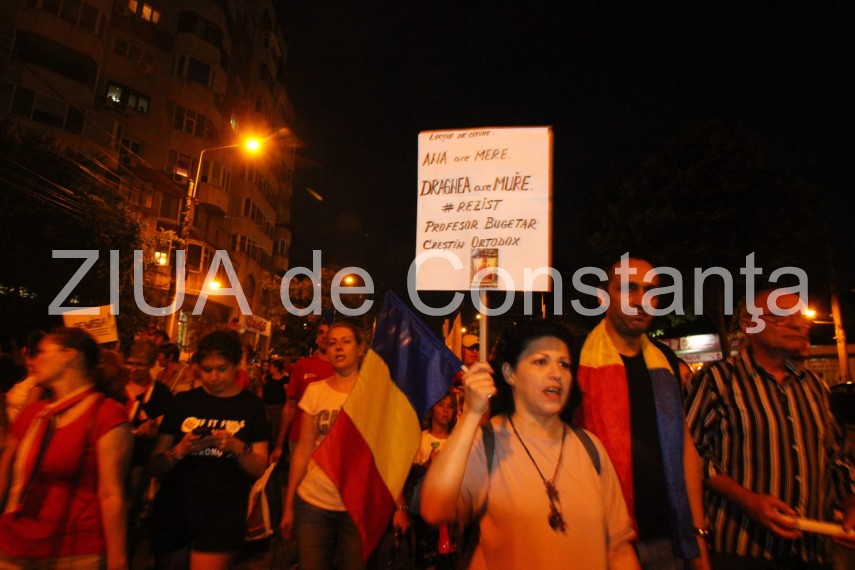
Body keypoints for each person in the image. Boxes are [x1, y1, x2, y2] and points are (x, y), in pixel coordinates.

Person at [420, 319, 639, 569]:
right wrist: (471, 414)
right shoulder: (488, 444)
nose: (556, 373)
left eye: (564, 364)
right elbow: (434, 509)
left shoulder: (590, 448)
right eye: (540, 361)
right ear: (509, 373)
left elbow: (618, 547)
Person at [684, 289, 855, 568]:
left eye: (800, 318)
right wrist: (747, 500)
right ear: (748, 325)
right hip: (741, 551)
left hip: (813, 550)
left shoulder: (815, 386)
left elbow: (837, 458)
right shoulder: (716, 380)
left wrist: (850, 501)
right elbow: (691, 455)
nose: (797, 325)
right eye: (781, 316)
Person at [569, 257, 709, 569]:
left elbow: (684, 446)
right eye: (628, 288)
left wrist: (698, 532)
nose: (640, 300)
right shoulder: (574, 357)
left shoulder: (665, 359)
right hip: (596, 539)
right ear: (602, 296)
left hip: (667, 540)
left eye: (650, 291)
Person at [0, 327, 132, 570]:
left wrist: (118, 559)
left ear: (68, 356)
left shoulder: (106, 415)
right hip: (16, 546)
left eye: (42, 352)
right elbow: (6, 473)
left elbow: (111, 493)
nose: (33, 360)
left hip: (75, 552)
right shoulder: (33, 413)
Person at [149, 330, 269, 570]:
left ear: (236, 366)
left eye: (222, 369)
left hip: (223, 513)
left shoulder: (251, 407)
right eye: (206, 369)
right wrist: (180, 450)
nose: (213, 377)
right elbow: (155, 464)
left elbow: (259, 467)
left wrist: (237, 447)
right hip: (176, 508)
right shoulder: (183, 403)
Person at [281, 322, 369, 569]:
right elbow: (303, 450)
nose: (338, 347)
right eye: (332, 343)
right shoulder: (315, 392)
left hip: (357, 506)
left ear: (360, 348)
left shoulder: (375, 393)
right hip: (313, 503)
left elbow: (386, 454)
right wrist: (289, 504)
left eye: (346, 341)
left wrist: (399, 505)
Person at [270, 322, 333, 463]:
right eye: (321, 332)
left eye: (329, 333)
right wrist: (279, 445)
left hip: (330, 442)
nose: (324, 336)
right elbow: (290, 406)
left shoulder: (342, 368)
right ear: (316, 338)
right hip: (301, 439)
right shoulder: (302, 365)